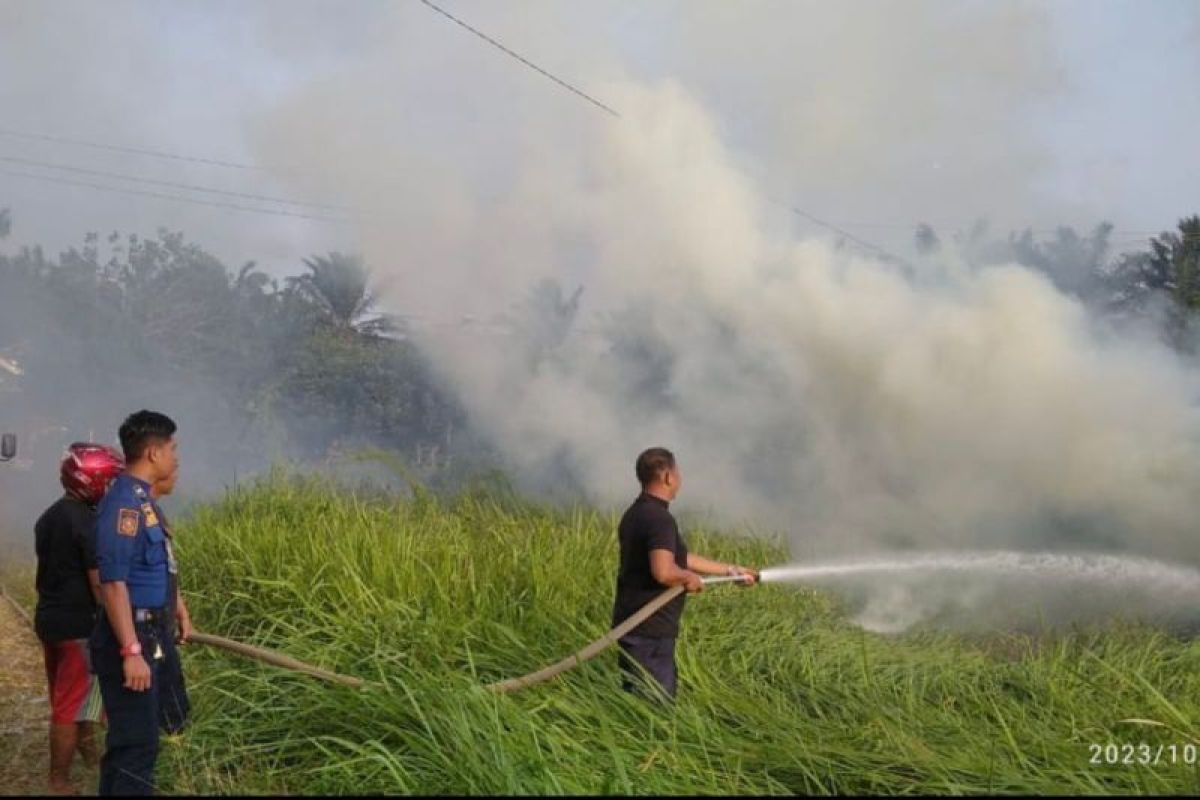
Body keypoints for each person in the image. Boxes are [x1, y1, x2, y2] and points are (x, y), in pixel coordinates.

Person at [611, 447, 759, 701]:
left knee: (637, 702)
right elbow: (664, 571)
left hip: (633, 626)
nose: (680, 478)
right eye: (678, 472)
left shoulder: (636, 514)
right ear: (668, 476)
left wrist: (731, 570)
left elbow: (679, 559)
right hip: (650, 632)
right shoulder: (660, 520)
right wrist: (687, 578)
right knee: (655, 709)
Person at [90, 410, 180, 796]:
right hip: (133, 634)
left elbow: (156, 566)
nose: (177, 457)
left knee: (132, 742)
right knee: (137, 746)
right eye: (173, 448)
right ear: (153, 453)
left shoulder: (143, 501)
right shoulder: (124, 504)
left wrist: (176, 608)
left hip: (150, 628)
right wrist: (131, 650)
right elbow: (113, 583)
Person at [34, 442, 124, 794]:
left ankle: (89, 757)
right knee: (70, 705)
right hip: (78, 627)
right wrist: (120, 623)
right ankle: (59, 780)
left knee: (74, 696)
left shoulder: (49, 516)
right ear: (94, 481)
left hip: (49, 620)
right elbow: (99, 586)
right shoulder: (88, 523)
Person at [150, 467, 191, 735]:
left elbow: (166, 570)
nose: (177, 470)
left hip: (162, 624)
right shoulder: (138, 514)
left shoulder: (155, 513)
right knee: (162, 691)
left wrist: (181, 612)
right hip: (149, 629)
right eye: (172, 460)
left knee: (171, 689)